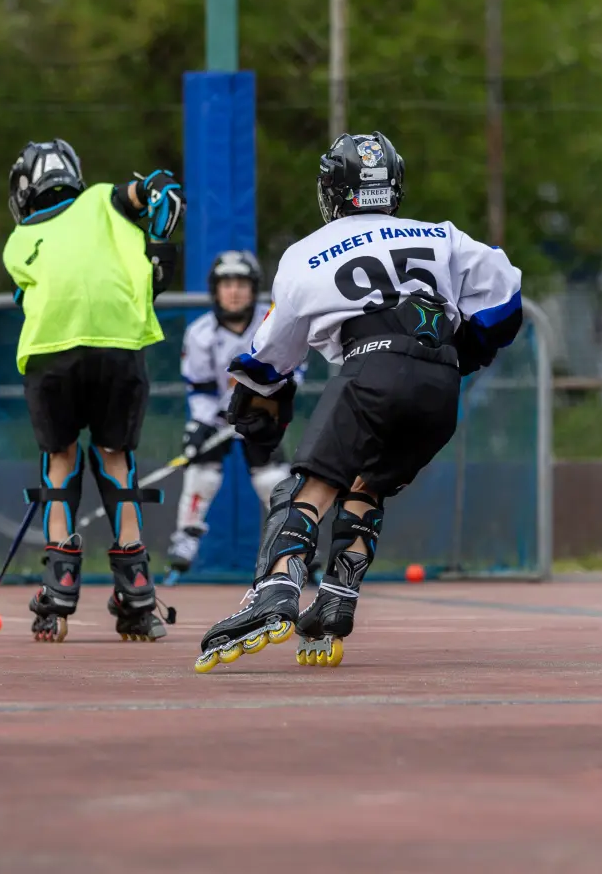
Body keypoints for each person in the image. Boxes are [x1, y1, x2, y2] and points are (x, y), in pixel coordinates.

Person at [193, 132, 524, 672]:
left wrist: (256, 398)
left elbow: (269, 353)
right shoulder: (440, 235)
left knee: (307, 485)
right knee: (367, 484)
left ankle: (275, 591)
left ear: (332, 191)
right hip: (440, 383)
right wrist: (465, 349)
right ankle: (335, 603)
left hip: (371, 364)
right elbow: (506, 294)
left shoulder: (306, 252)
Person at [2, 138, 184, 642]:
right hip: (118, 346)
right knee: (115, 455)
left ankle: (60, 582)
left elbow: (28, 297)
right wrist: (156, 204)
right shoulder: (103, 198)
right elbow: (145, 194)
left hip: (51, 352)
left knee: (60, 458)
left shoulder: (18, 241)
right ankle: (137, 587)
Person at [164, 250, 310, 586]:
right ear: (215, 290)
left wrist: (263, 404)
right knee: (201, 470)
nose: (234, 292)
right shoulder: (200, 333)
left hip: (262, 412)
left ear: (253, 288)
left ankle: (294, 546)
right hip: (218, 417)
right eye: (226, 284)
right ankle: (186, 535)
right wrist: (199, 425)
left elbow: (294, 370)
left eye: (241, 284)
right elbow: (200, 389)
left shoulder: (272, 323)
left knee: (272, 478)